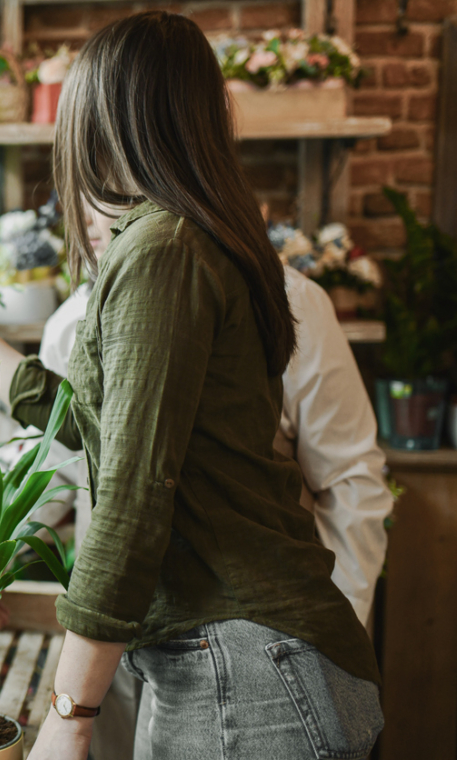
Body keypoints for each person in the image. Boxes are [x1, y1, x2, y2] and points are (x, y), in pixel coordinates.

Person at [0, 12, 383, 760]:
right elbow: (91, 427)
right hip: (261, 669)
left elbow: (133, 490)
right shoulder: (201, 241)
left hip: (246, 672)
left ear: (104, 117)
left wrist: (69, 709)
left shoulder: (162, 249)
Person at [42, 245, 392, 760]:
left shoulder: (288, 298)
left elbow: (350, 479)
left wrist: (323, 630)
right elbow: (57, 457)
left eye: (115, 194)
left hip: (248, 643)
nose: (101, 221)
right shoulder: (72, 318)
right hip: (118, 647)